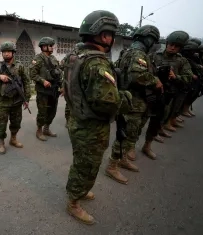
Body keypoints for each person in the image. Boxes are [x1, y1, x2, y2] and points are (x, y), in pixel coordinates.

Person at [63, 10, 132, 225]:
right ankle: (73, 201)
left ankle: (79, 190)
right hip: (90, 126)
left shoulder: (73, 56)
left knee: (81, 162)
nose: (111, 39)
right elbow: (107, 102)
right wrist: (126, 97)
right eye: (110, 34)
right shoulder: (96, 63)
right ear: (103, 36)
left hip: (77, 118)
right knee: (87, 165)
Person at [106, 25, 162, 185]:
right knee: (124, 136)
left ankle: (122, 159)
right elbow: (137, 76)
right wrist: (155, 81)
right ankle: (112, 166)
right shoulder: (138, 54)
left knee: (131, 134)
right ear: (149, 39)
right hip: (132, 102)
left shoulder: (127, 52)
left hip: (135, 102)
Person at [0, 42, 31, 154]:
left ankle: (13, 139)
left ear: (13, 53)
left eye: (8, 51)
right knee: (1, 123)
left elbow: (26, 82)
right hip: (3, 101)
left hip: (17, 100)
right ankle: (1, 143)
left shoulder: (20, 66)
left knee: (16, 122)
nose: (6, 54)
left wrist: (26, 99)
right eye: (4, 52)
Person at [150, 31, 193, 134]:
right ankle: (152, 135)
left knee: (166, 113)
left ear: (180, 48)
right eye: (171, 45)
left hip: (170, 92)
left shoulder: (182, 60)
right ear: (167, 43)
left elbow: (189, 77)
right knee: (152, 116)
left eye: (176, 46)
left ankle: (160, 129)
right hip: (154, 91)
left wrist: (175, 76)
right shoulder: (154, 56)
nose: (172, 48)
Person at [29, 37, 63, 141]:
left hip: (54, 89)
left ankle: (46, 128)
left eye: (52, 45)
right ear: (44, 47)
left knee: (52, 110)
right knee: (43, 111)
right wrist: (42, 81)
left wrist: (61, 86)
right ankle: (39, 130)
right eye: (50, 45)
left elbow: (59, 73)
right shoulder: (38, 59)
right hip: (43, 90)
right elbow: (32, 74)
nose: (52, 47)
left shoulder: (53, 58)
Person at [61, 42, 84, 128]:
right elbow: (61, 65)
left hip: (71, 83)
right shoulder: (74, 56)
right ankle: (70, 120)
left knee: (70, 102)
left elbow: (61, 65)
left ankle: (70, 121)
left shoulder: (70, 56)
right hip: (72, 83)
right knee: (72, 103)